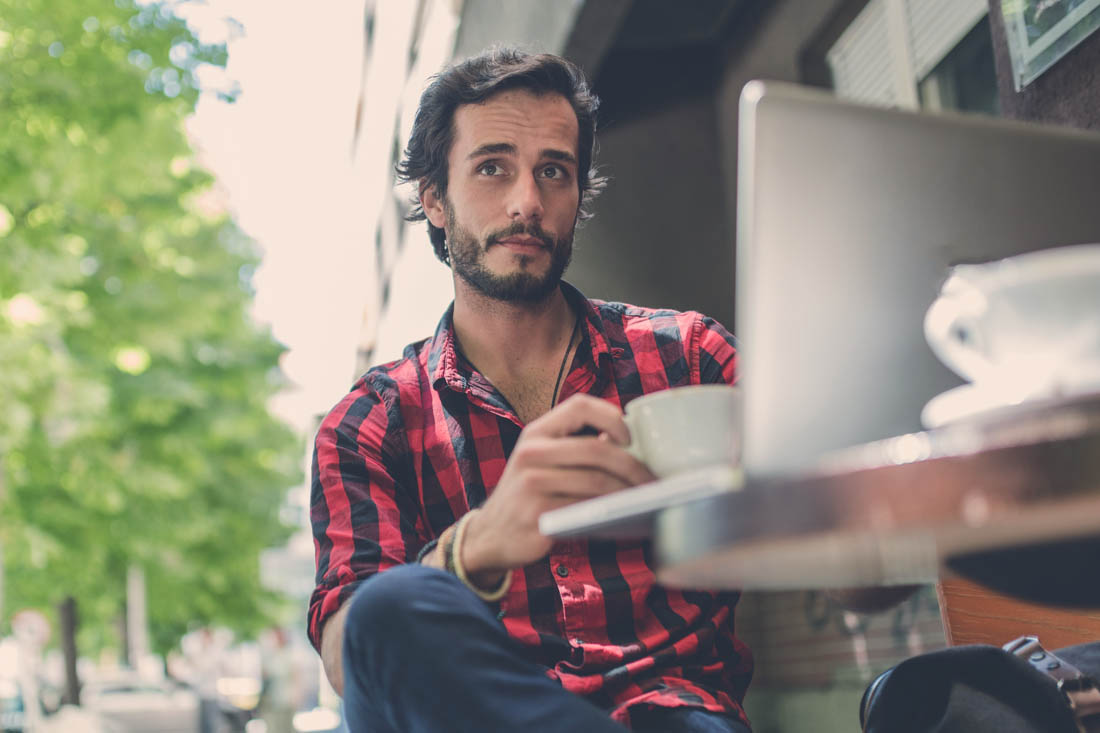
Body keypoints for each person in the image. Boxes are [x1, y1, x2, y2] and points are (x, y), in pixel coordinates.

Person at [308, 47, 753, 732]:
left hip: (670, 711)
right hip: (473, 716)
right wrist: (475, 545)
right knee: (386, 606)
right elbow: (351, 654)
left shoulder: (691, 358)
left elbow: (851, 567)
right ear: (433, 199)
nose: (528, 202)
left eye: (554, 171)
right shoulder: (371, 421)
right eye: (492, 168)